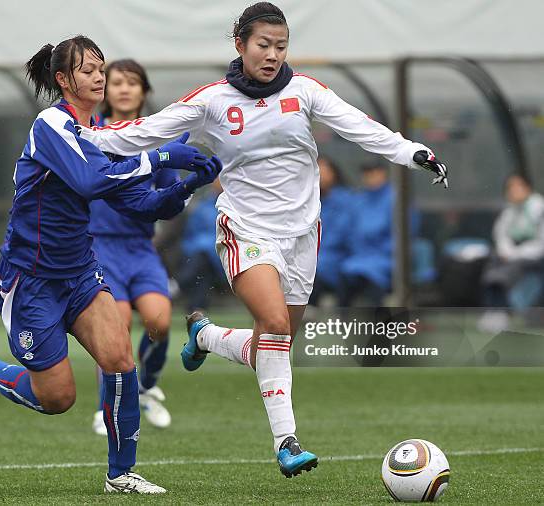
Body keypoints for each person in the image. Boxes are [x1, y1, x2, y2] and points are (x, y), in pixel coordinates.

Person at [78, 2, 448, 478]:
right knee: (273, 323)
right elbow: (145, 133)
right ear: (240, 45)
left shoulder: (306, 90)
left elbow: (361, 128)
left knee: (275, 343)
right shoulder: (211, 100)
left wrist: (412, 150)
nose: (273, 54)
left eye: (281, 46)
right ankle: (287, 442)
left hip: (302, 234)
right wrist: (76, 138)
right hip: (245, 229)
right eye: (263, 45)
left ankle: (207, 336)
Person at [0, 35, 222, 494]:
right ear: (64, 80)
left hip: (80, 271)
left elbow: (145, 206)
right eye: (88, 70)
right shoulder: (50, 124)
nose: (99, 76)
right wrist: (160, 155)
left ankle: (120, 474)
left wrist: (185, 185)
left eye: (101, 68)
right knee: (58, 398)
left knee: (121, 359)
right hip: (31, 281)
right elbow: (88, 180)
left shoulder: (104, 136)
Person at [89, 59, 176, 434]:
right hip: (98, 247)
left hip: (141, 248)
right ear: (104, 91)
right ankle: (105, 407)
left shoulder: (158, 134)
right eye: (116, 82)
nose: (124, 89)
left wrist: (176, 195)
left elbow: (172, 190)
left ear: (144, 90)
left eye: (133, 82)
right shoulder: (90, 133)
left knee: (159, 320)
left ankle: (147, 386)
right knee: (116, 325)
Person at [337, 161, 418, 306]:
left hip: (388, 258)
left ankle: (383, 323)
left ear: (384, 174)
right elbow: (349, 232)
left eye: (375, 172)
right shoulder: (358, 200)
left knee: (368, 276)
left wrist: (381, 250)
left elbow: (404, 235)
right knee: (346, 273)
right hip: (359, 257)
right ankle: (342, 322)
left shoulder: (397, 199)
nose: (371, 177)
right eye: (367, 173)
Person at [479, 173, 544, 331]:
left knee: (505, 273)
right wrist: (507, 252)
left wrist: (515, 255)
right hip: (512, 256)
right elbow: (501, 234)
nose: (513, 191)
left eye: (517, 186)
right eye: (510, 187)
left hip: (534, 257)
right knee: (493, 262)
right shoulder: (509, 210)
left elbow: (540, 243)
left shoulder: (539, 208)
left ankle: (503, 312)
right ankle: (494, 311)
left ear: (527, 188)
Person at [309, 156, 354, 307]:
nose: (320, 175)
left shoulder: (346, 200)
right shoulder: (304, 200)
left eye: (324, 171)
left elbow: (345, 235)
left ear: (334, 174)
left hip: (337, 256)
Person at [176, 178, 226, 312]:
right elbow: (190, 234)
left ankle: (177, 285)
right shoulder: (202, 207)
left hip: (224, 256)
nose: (218, 183)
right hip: (200, 256)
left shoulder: (236, 208)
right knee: (203, 268)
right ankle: (197, 310)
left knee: (203, 260)